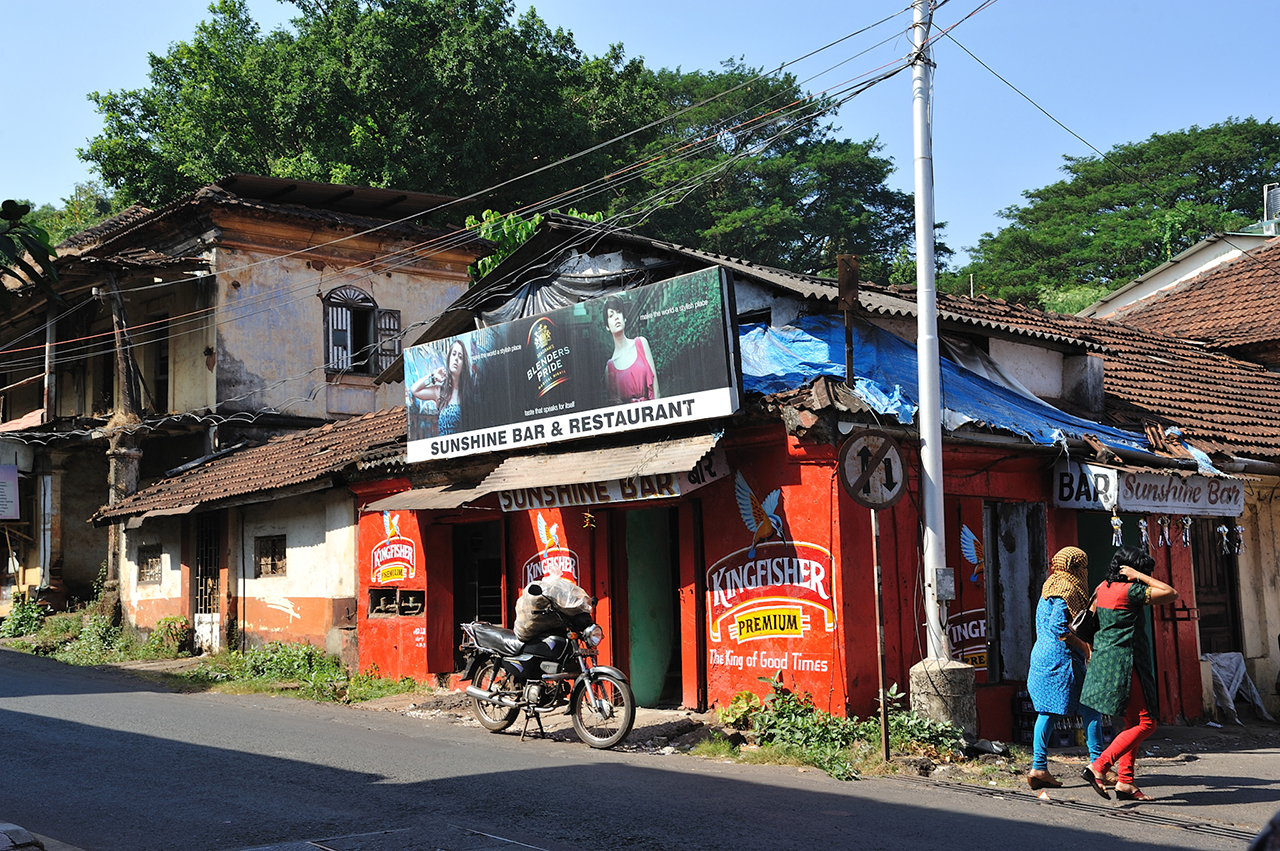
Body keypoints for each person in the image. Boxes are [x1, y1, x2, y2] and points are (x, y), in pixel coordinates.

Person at [1079, 544, 1179, 802]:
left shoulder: (1102, 588)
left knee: (1132, 723)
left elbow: (1089, 625)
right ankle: (1099, 766)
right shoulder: (1132, 590)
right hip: (1126, 664)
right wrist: (1141, 577)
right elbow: (1170, 593)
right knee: (1147, 723)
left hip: (1104, 661)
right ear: (1132, 569)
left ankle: (1125, 782)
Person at [1025, 546, 1106, 790]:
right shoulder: (1066, 590)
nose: (1085, 571)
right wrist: (1084, 648)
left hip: (1041, 656)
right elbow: (1059, 628)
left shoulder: (1049, 585)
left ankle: (1039, 768)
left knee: (1047, 713)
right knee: (1091, 709)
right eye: (1083, 567)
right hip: (1062, 660)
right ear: (1074, 568)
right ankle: (1099, 767)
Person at [603, 296, 658, 404]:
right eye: (611, 315)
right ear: (607, 326)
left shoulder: (641, 343)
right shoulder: (609, 368)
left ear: (624, 318)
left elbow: (656, 390)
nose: (616, 318)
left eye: (619, 312)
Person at [410, 339, 469, 435]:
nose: (456, 359)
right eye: (453, 354)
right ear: (449, 358)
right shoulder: (440, 391)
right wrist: (433, 377)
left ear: (464, 365)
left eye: (460, 357)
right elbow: (414, 390)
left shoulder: (467, 392)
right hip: (444, 447)